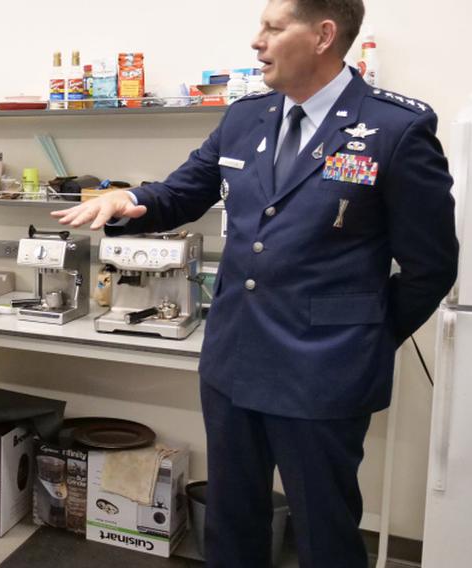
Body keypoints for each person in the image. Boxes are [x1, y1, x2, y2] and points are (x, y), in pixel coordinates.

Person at [53, 1, 458, 565]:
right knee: (232, 522)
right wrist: (131, 199)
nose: (256, 41)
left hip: (325, 370)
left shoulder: (394, 128)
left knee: (325, 532)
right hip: (234, 362)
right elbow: (184, 191)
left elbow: (432, 266)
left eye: (272, 28)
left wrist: (364, 332)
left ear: (322, 35)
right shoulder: (247, 117)